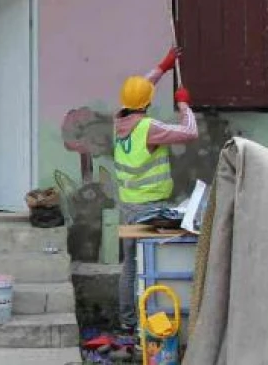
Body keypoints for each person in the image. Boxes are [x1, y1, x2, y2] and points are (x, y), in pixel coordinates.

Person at [115, 47, 198, 337]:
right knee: (153, 265)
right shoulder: (148, 128)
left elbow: (140, 90)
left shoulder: (120, 121)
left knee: (129, 265)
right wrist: (185, 106)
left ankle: (127, 320)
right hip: (149, 209)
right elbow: (189, 133)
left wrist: (163, 67)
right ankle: (151, 319)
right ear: (147, 104)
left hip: (128, 205)